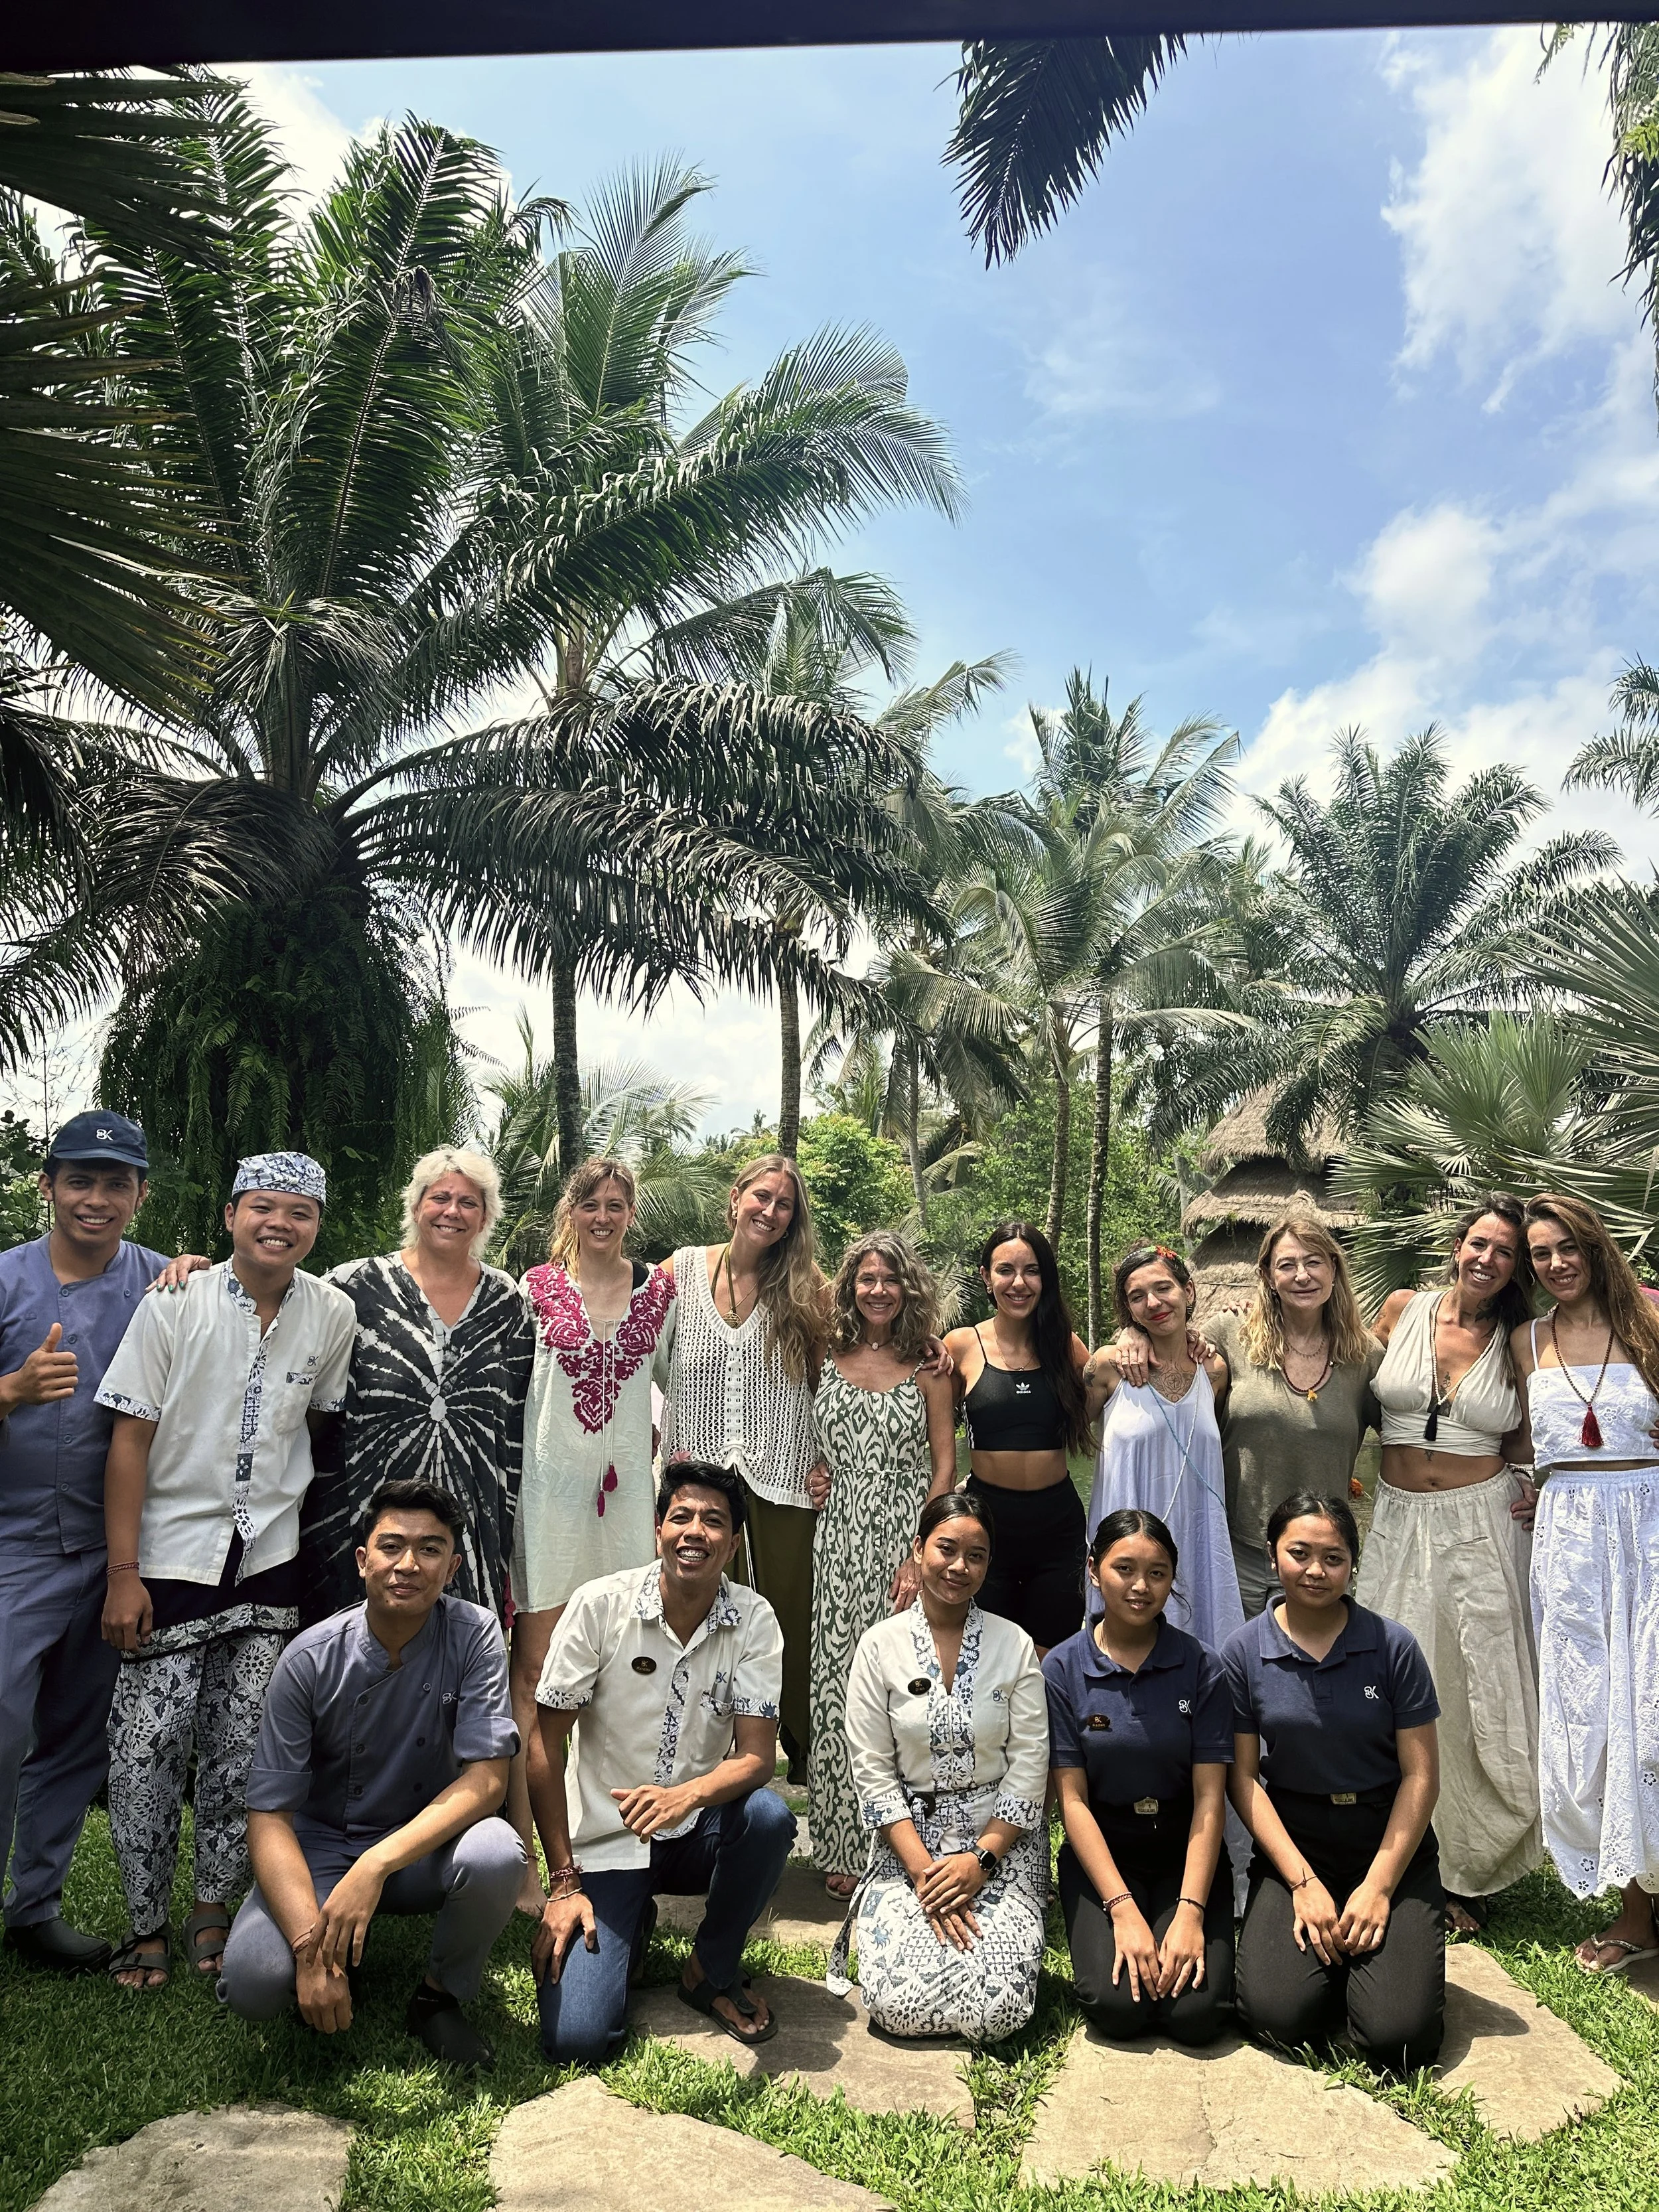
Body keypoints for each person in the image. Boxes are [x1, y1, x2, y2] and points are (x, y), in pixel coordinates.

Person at [95, 1153, 356, 1992]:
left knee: (243, 1748)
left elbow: (318, 1428)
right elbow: (129, 1439)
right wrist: (122, 1572)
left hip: (270, 1561)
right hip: (170, 1555)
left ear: (318, 1225)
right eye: (263, 1207)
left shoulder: (331, 1313)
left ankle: (215, 1906)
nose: (280, 1224)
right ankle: (143, 1923)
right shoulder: (176, 1299)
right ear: (230, 1214)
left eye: (300, 1213)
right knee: (147, 1744)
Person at [154, 1147, 535, 1627]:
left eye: (468, 1202)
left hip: (469, 1520)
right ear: (416, 1206)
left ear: (485, 1217)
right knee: (352, 1660)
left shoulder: (506, 1302)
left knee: (456, 1665)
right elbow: (283, 1347)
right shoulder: (352, 1287)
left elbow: (518, 1422)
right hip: (358, 1516)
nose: (452, 1211)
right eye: (440, 1197)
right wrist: (199, 1273)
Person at [218, 1479, 524, 2069]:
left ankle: (438, 1997)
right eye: (392, 1546)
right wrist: (308, 1950)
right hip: (322, 1846)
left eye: (430, 1549)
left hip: (418, 1846)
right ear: (364, 1561)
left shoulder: (477, 1635)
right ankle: (329, 1957)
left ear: (453, 1566)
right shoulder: (308, 1658)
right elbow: (269, 1817)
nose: (408, 1564)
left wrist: (377, 1863)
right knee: (254, 1983)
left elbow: (488, 1781)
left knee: (497, 1852)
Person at [531, 1459, 795, 2061]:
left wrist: (687, 1796)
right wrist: (562, 1881)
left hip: (695, 1831)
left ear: (733, 1543)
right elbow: (545, 1744)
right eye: (681, 1516)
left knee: (769, 1818)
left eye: (713, 1520)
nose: (695, 1531)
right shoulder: (600, 1606)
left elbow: (757, 1757)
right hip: (605, 1839)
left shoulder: (754, 1619)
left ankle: (711, 1967)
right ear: (658, 1528)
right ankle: (630, 1920)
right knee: (579, 2039)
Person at [0, 1112, 166, 1974]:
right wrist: (12, 1388)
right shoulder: (5, 1281)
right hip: (14, 1545)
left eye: (115, 1182)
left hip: (115, 1553)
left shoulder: (165, 1284)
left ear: (139, 1194)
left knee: (77, 1734)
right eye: (79, 1179)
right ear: (48, 1186)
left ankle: (34, 1909)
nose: (95, 1197)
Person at [1361, 1195, 1540, 1933]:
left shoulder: (1521, 1338)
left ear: (1515, 1266)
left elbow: (1535, 1435)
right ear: (1456, 1244)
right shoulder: (1402, 1308)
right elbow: (1335, 1379)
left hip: (1482, 1525)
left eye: (1503, 1252)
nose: (1485, 1260)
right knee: (1387, 1684)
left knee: (1473, 1693)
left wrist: (1543, 1486)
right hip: (1398, 1520)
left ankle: (1464, 1869)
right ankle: (1390, 1854)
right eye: (1478, 1244)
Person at [1224, 1495, 1444, 2077]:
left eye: (1333, 1556)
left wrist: (1377, 1886)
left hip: (1386, 1845)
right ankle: (1337, 1957)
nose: (1316, 1569)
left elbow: (1421, 1775)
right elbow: (1242, 1779)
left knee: (1397, 2038)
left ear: (1353, 1564)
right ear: (1274, 1557)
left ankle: (1381, 1956)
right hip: (1298, 1847)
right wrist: (1302, 1882)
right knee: (1277, 2016)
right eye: (1300, 1553)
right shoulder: (1244, 1651)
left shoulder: (1393, 1646)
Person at [510, 1157, 676, 1913]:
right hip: (548, 1502)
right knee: (538, 1676)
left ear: (631, 1214)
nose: (603, 1217)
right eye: (589, 1205)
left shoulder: (661, 1296)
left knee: (622, 1671)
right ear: (568, 1214)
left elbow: (699, 1378)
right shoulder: (533, 1291)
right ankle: (524, 1850)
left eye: (616, 1205)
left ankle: (617, 1846)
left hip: (627, 1510)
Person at [832, 1493, 1049, 2043]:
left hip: (1000, 1842)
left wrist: (980, 1861)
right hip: (912, 1845)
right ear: (918, 1549)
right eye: (946, 1549)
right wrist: (927, 1874)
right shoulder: (879, 1646)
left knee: (999, 2006)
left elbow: (1029, 1764)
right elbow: (874, 1771)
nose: (959, 1566)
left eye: (976, 1555)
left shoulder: (1014, 1644)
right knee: (896, 2004)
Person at [1513, 1193, 1659, 1974]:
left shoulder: (1650, 1320)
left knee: (1653, 1712)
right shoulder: (1525, 1340)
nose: (1556, 1262)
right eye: (1540, 1253)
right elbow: (1521, 1439)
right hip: (1568, 1540)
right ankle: (1635, 1912)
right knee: (1592, 1717)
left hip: (1650, 1527)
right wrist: (1530, 1483)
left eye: (1567, 1245)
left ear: (1593, 1243)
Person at [1115, 1213, 1382, 1617]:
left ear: (1334, 1269)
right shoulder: (1231, 1333)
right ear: (1268, 1276)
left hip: (1320, 1558)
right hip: (1239, 1550)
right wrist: (1130, 1332)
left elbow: (1408, 1439)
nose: (1302, 1275)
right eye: (1287, 1265)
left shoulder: (1364, 1356)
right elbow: (1166, 1336)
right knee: (1235, 1667)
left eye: (1314, 1262)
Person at [657, 1155, 828, 1774]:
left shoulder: (807, 1286)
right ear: (736, 1198)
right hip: (696, 1474)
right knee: (697, 1613)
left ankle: (809, 1754)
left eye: (784, 1204)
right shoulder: (677, 1270)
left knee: (791, 1613)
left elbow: (842, 1367)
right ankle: (695, 1754)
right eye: (762, 1196)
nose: (770, 1211)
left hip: (784, 1470)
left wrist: (932, 1352)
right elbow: (644, 1353)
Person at [1045, 1509, 1235, 2045]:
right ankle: (1132, 1921)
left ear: (1172, 1578)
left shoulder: (1202, 1666)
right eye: (1124, 1568)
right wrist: (1122, 1910)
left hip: (1184, 1851)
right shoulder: (1062, 1668)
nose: (1140, 1585)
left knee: (1196, 2015)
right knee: (1119, 2008)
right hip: (1106, 1853)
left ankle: (1186, 1918)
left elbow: (1209, 1799)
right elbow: (1072, 1802)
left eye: (1157, 1572)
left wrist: (1192, 1911)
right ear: (1093, 1569)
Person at [809, 1232, 956, 1898]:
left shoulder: (930, 1363)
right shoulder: (825, 1354)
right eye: (865, 1278)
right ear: (850, 1286)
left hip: (904, 1538)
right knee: (836, 1687)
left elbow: (945, 1464)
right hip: (836, 1540)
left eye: (889, 1279)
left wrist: (918, 1556)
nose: (876, 1289)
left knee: (903, 1688)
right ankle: (841, 1840)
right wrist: (814, 1468)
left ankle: (903, 1837)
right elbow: (807, 1435)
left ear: (908, 1289)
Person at [1084, 1244, 1242, 1655]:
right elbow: (1063, 1433)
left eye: (1164, 1288)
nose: (1153, 1302)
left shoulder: (1215, 1371)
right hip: (1125, 1540)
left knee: (1202, 1662)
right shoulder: (1108, 1368)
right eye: (1137, 1296)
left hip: (1198, 1538)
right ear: (1129, 1310)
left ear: (1188, 1291)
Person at [944, 1220, 1092, 1657]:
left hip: (1057, 1523)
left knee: (1051, 1658)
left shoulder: (1066, 1346)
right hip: (989, 1522)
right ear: (986, 1277)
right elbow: (925, 1429)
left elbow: (1111, 1396)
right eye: (1005, 1270)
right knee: (988, 1655)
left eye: (1032, 1270)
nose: (1019, 1282)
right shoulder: (960, 1345)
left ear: (1045, 1278)